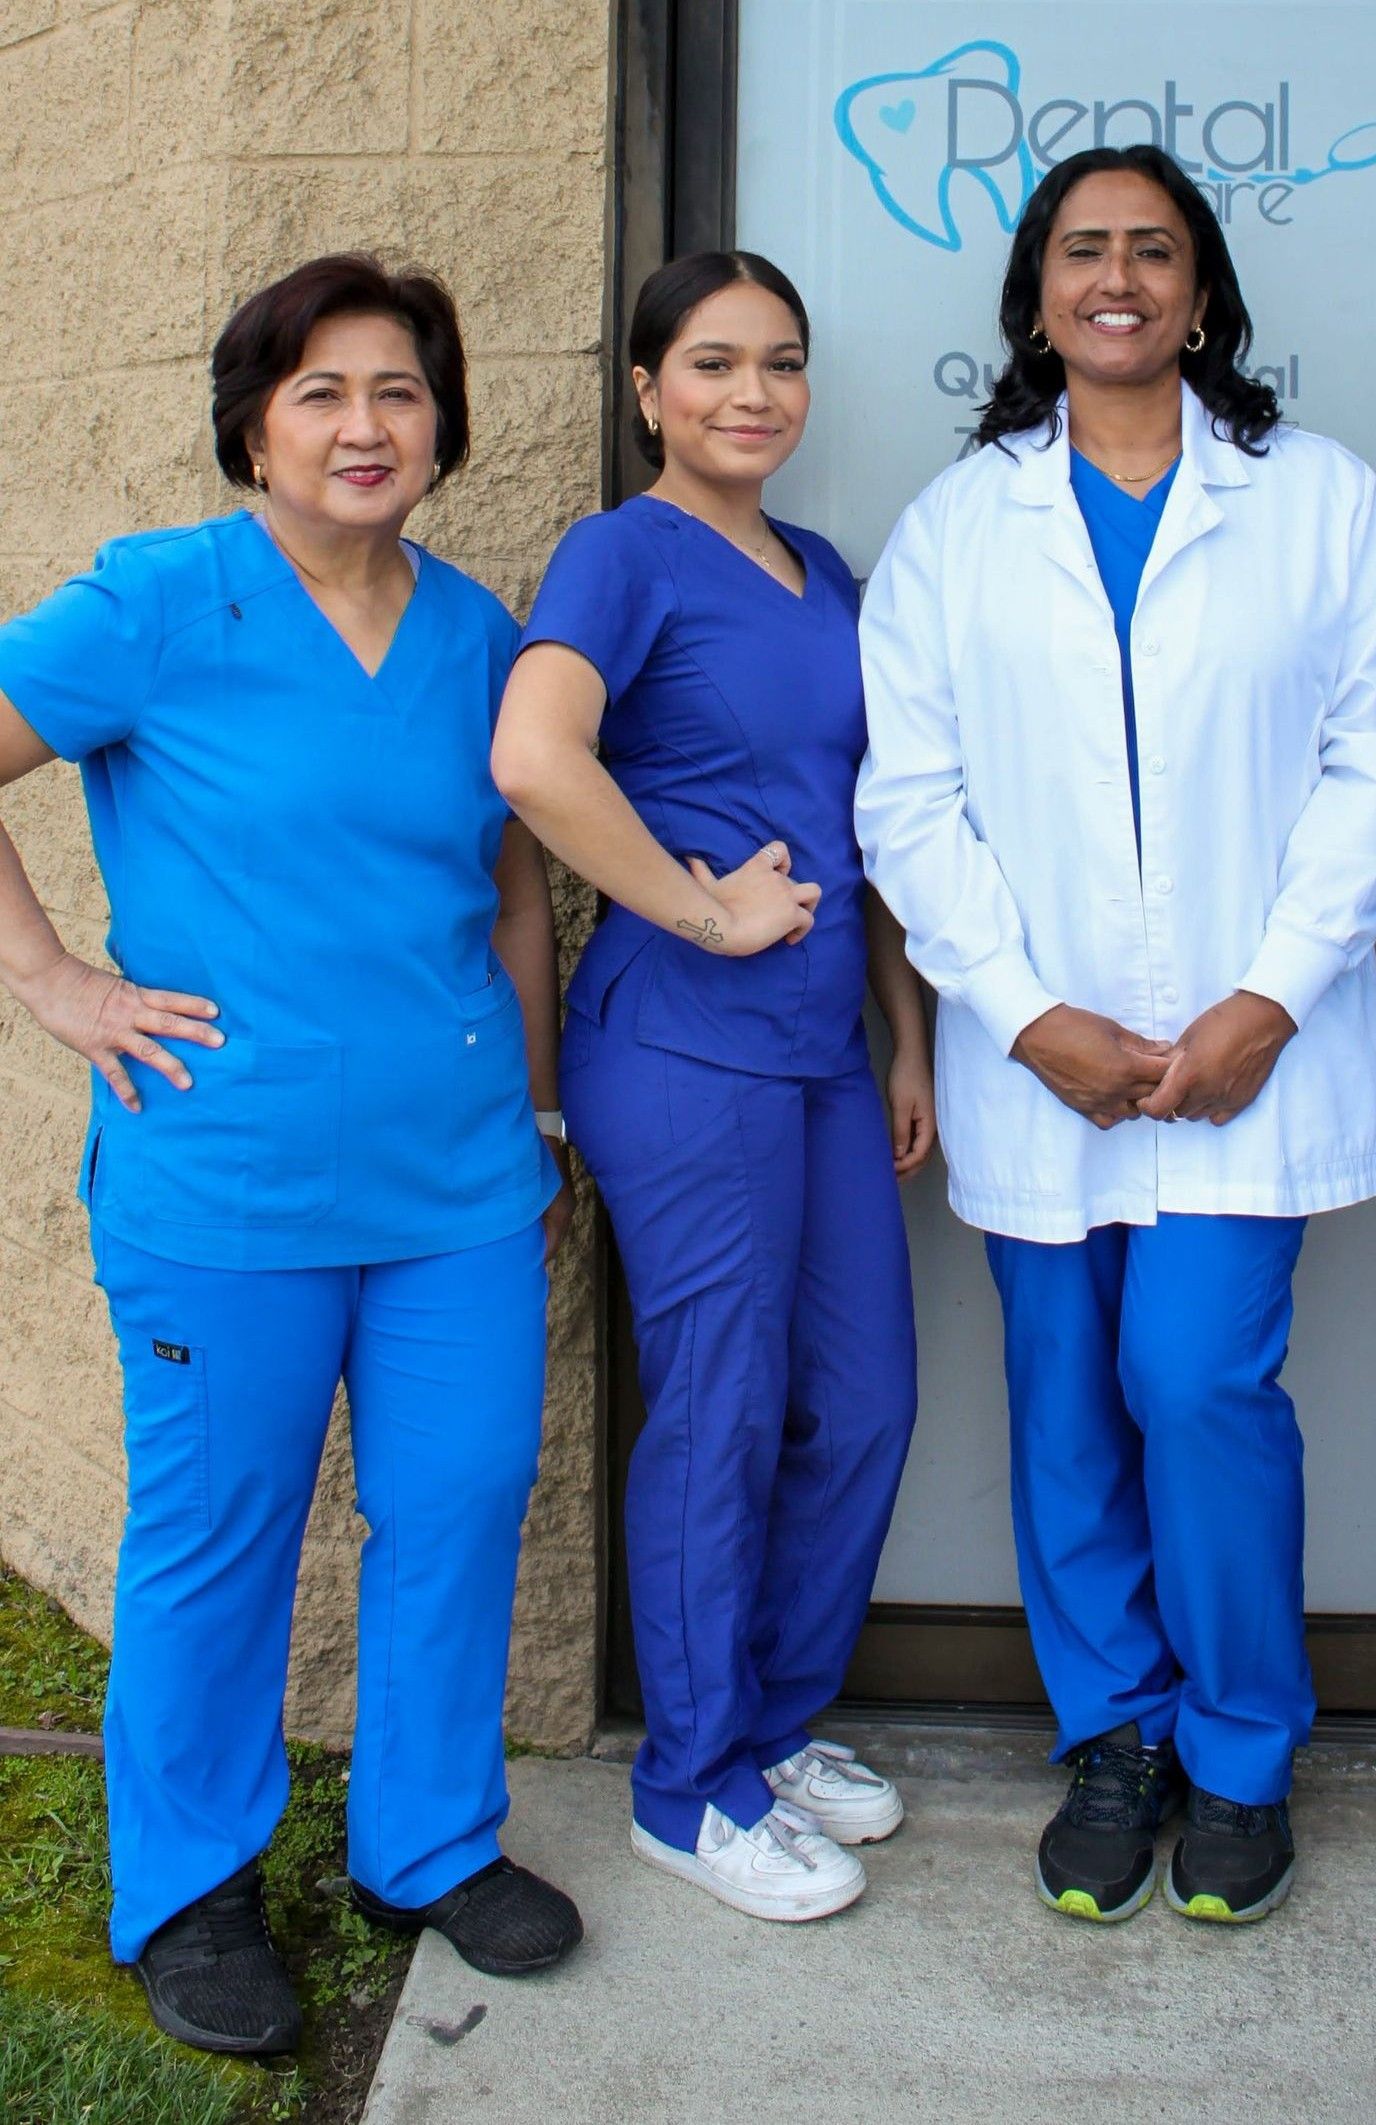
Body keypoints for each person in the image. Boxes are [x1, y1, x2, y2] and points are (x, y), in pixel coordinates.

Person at [0, 255, 584, 2056]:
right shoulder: (160, 605)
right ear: (255, 419)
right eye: (323, 390)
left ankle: (426, 1841)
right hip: (225, 1179)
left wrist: (541, 1106)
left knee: (464, 1499)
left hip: (458, 1184)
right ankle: (185, 1885)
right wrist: (54, 982)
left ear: (443, 424)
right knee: (220, 1531)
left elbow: (509, 887)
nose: (364, 424)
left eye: (399, 391)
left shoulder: (480, 633)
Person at [855, 144, 1376, 1926]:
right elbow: (909, 801)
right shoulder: (960, 526)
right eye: (1084, 250)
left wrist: (1273, 993)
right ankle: (1117, 1734)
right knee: (1063, 1407)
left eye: (1155, 251)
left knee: (1195, 1382)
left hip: (1250, 1061)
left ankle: (1245, 1750)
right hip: (1047, 1063)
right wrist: (1026, 1019)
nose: (1119, 277)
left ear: (1202, 291)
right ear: (1036, 291)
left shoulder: (1318, 498)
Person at [491, 251, 932, 1925]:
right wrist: (696, 902)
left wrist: (906, 1031)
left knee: (867, 1400)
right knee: (726, 1408)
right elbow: (535, 756)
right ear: (648, 389)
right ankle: (689, 1786)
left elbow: (860, 825)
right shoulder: (621, 553)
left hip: (824, 1055)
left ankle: (769, 1718)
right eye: (715, 363)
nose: (753, 393)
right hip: (678, 1050)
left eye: (784, 363)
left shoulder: (825, 569)